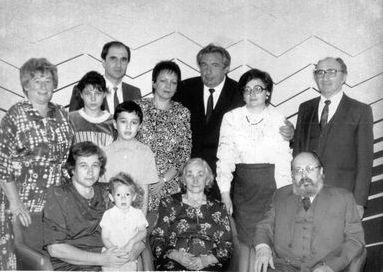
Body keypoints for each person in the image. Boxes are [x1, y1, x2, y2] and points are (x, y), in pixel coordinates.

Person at [174, 43, 294, 200]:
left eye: (215, 65)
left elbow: (263, 119)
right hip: (190, 175)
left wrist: (290, 131)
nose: (208, 71)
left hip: (226, 179)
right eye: (204, 65)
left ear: (226, 68)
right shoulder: (184, 88)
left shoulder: (242, 92)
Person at [0, 58, 74, 270]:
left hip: (54, 198)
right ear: (26, 85)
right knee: (20, 258)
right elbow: (1, 160)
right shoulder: (15, 115)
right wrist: (15, 203)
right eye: (37, 81)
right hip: (21, 199)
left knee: (54, 256)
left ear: (55, 84)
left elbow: (67, 158)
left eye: (48, 80)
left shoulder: (62, 114)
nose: (43, 86)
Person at [216, 69, 292, 252]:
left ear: (267, 92)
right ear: (242, 94)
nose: (252, 93)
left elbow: (283, 160)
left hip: (272, 188)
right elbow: (225, 156)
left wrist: (284, 196)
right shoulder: (231, 118)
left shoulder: (279, 118)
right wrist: (225, 193)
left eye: (258, 88)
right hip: (244, 192)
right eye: (247, 89)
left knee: (271, 241)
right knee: (245, 245)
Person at [254, 152, 365, 272]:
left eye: (309, 169)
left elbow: (355, 239)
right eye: (298, 170)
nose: (304, 175)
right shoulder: (280, 195)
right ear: (292, 175)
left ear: (321, 171)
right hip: (281, 267)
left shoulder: (343, 198)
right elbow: (265, 226)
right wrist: (263, 248)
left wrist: (331, 266)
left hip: (323, 267)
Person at [43, 142, 146, 271]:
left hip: (111, 261)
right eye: (83, 165)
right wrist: (101, 259)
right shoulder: (59, 195)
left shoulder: (108, 193)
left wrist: (133, 251)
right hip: (73, 265)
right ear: (72, 169)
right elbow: (55, 249)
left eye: (95, 165)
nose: (90, 171)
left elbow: (137, 231)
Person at [293, 57, 374, 218]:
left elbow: (365, 161)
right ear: (315, 77)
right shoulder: (305, 108)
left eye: (332, 72)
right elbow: (298, 153)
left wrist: (359, 202)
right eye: (320, 72)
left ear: (343, 77)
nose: (325, 77)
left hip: (343, 197)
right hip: (308, 196)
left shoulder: (360, 111)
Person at [135, 60, 191, 225]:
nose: (168, 86)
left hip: (169, 185)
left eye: (173, 82)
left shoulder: (182, 113)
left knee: (164, 235)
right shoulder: (139, 108)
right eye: (163, 81)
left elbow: (184, 153)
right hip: (139, 183)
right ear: (153, 83)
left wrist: (163, 181)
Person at [150, 158, 233, 271]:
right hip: (174, 263)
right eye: (189, 175)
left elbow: (227, 246)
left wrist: (206, 260)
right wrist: (177, 256)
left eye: (200, 175)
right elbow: (156, 239)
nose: (195, 180)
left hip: (208, 265)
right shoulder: (168, 203)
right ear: (183, 180)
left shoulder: (219, 207)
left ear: (208, 179)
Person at [102, 101, 159, 216]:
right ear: (114, 124)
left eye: (133, 122)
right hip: (111, 215)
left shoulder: (145, 152)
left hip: (136, 213)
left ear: (139, 126)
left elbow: (145, 189)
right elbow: (102, 189)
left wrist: (142, 219)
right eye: (123, 122)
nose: (128, 127)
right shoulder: (105, 153)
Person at [69, 41, 141, 112]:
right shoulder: (82, 90)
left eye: (123, 60)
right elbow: (73, 121)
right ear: (103, 62)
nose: (118, 64)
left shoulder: (135, 92)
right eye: (113, 59)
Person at [100, 173, 148, 271]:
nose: (123, 198)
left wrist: (131, 242)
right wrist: (115, 250)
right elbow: (105, 237)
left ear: (133, 197)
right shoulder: (108, 214)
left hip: (129, 254)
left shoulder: (137, 213)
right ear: (111, 197)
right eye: (118, 195)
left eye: (127, 194)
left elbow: (143, 231)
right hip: (111, 254)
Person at [69, 71, 115, 148]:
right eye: (88, 93)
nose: (93, 98)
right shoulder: (71, 120)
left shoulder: (113, 122)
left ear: (104, 94)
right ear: (81, 95)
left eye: (98, 93)